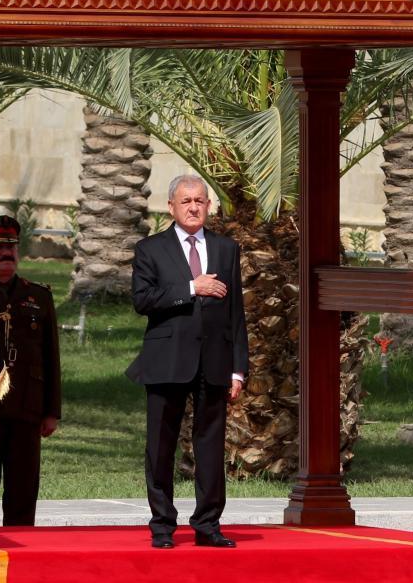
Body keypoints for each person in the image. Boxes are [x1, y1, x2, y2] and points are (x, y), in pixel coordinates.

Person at [126, 174, 248, 549]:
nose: (193, 207)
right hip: (167, 360)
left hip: (214, 361)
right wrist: (192, 288)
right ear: (171, 207)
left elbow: (236, 313)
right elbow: (142, 300)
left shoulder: (226, 249)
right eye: (186, 201)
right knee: (161, 446)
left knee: (210, 447)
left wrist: (238, 368)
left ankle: (208, 524)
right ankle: (163, 525)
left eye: (199, 201)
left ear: (208, 206)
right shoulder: (151, 249)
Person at [0, 215, 61, 527]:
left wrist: (51, 411)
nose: (6, 253)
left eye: (11, 246)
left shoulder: (39, 297)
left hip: (26, 408)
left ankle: (21, 549)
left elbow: (50, 357)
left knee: (23, 488)